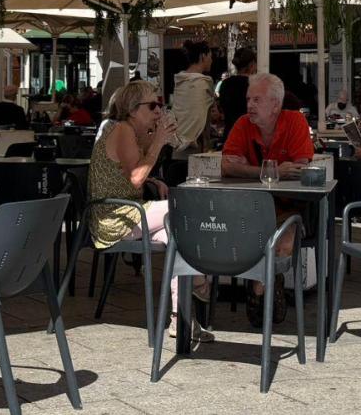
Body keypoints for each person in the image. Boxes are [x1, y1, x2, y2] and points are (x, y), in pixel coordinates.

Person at [86, 80, 210, 341]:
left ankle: (180, 317)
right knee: (183, 210)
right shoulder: (121, 129)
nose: (158, 111)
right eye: (153, 105)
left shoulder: (130, 130)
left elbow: (125, 172)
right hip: (113, 217)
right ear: (132, 109)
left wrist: (154, 176)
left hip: (128, 210)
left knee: (175, 236)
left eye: (160, 104)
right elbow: (134, 178)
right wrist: (159, 143)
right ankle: (200, 282)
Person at [221, 72, 314, 325]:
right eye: (249, 99)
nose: (250, 105)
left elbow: (299, 167)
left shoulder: (295, 121)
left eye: (257, 100)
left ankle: (259, 288)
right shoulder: (243, 124)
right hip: (250, 209)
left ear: (275, 104)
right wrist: (272, 171)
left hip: (288, 207)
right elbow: (227, 167)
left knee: (282, 245)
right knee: (249, 241)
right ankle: (268, 286)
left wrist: (249, 171)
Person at [170, 40, 218, 154]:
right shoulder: (204, 83)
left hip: (175, 140)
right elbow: (209, 115)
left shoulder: (180, 81)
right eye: (210, 56)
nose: (211, 60)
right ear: (203, 56)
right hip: (195, 144)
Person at [217, 47, 256, 139]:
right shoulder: (255, 85)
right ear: (251, 64)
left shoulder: (225, 84)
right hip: (249, 136)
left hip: (230, 133)